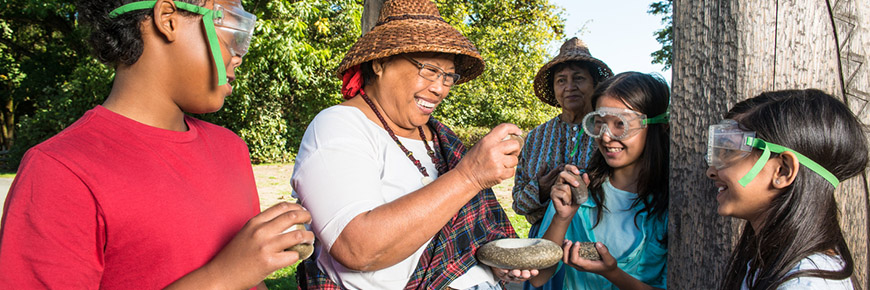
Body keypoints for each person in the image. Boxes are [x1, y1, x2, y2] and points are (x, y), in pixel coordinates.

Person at [0, 0, 314, 289]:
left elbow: (248, 278)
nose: (238, 55)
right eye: (232, 30)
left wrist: (256, 261)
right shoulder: (60, 171)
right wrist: (225, 274)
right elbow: (235, 273)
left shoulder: (230, 148)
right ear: (167, 19)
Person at [290, 0, 535, 289]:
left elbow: (462, 235)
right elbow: (357, 248)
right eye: (429, 70)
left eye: (448, 76)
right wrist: (469, 176)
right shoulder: (339, 125)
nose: (440, 88)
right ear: (380, 62)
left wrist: (492, 260)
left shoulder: (442, 138)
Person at [707, 89, 867, 290]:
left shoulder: (806, 285)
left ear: (783, 170)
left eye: (729, 151)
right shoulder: (767, 263)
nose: (711, 171)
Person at [530, 72, 669, 289]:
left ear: (657, 126)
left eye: (620, 124)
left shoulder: (672, 204)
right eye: (599, 123)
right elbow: (538, 277)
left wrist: (612, 273)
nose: (605, 136)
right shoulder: (578, 191)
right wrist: (562, 218)